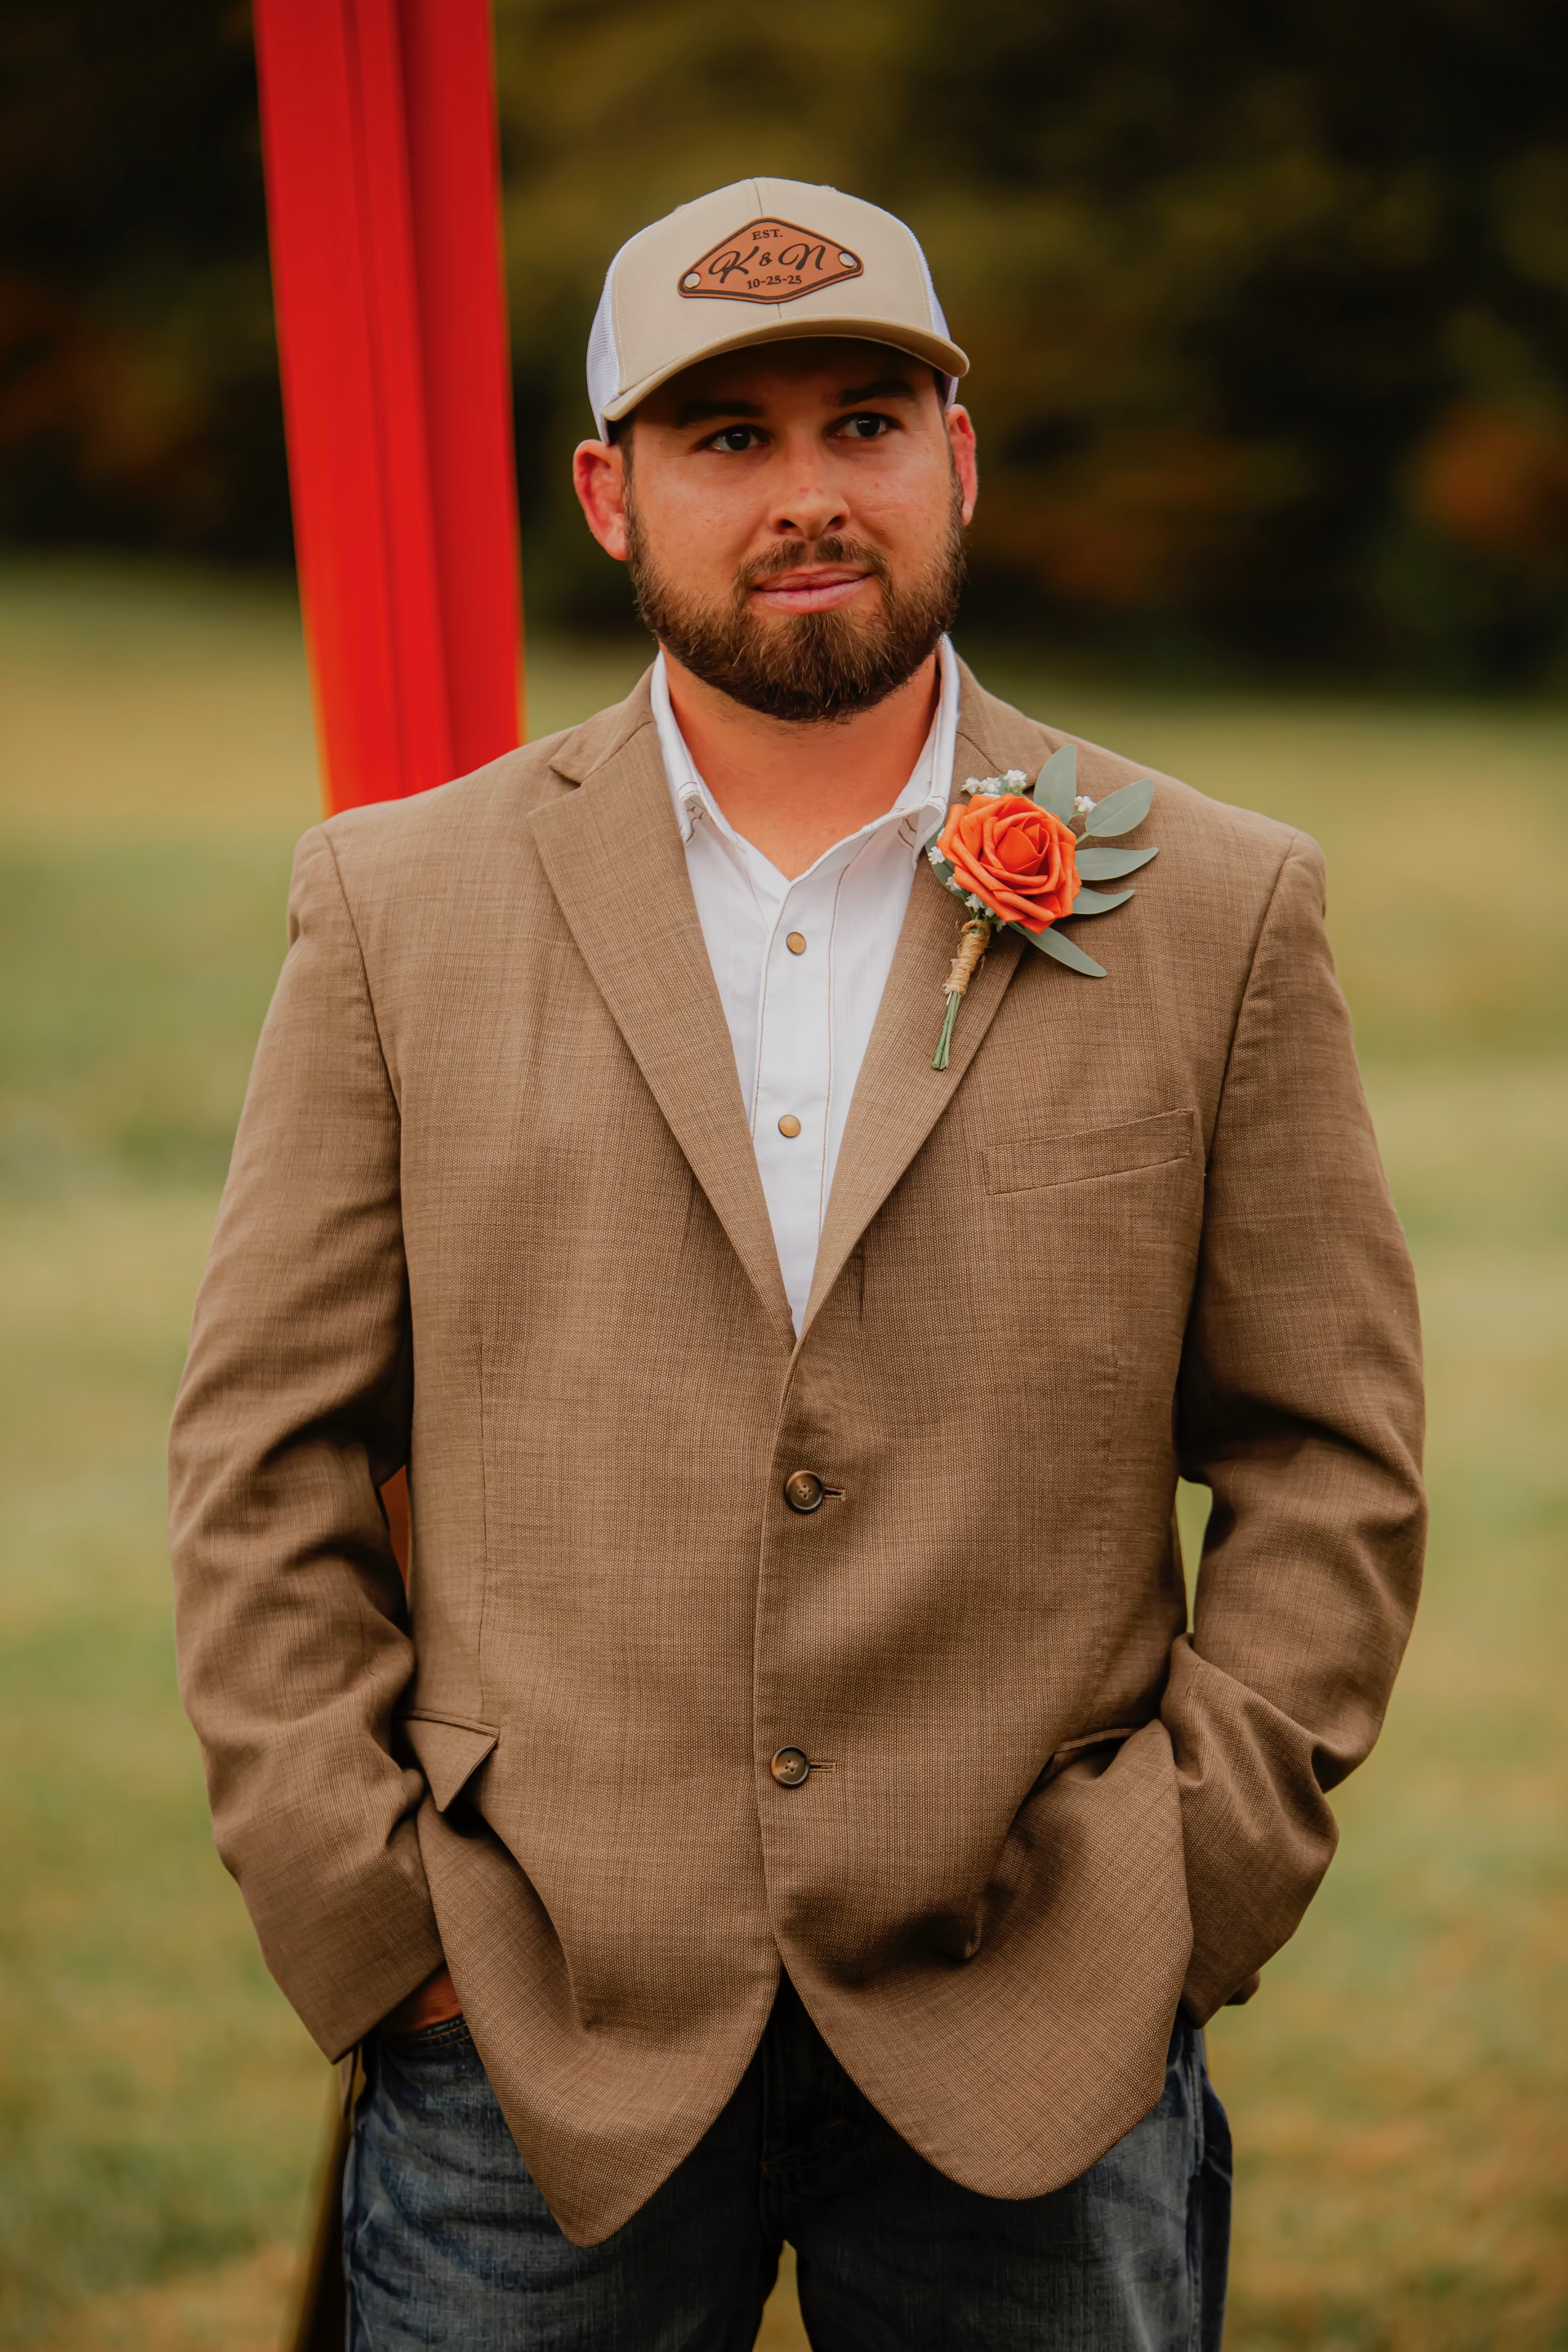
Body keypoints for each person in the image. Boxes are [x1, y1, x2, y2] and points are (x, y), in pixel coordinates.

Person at [168, 176, 1426, 2350]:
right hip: (528, 2048)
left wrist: (1183, 1891)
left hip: (1040, 2052)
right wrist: (384, 1922)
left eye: (864, 420)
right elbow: (261, 1461)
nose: (807, 493)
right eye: (726, 440)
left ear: (958, 449)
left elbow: (1336, 1461)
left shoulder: (1216, 904)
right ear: (607, 492)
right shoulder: (394, 906)